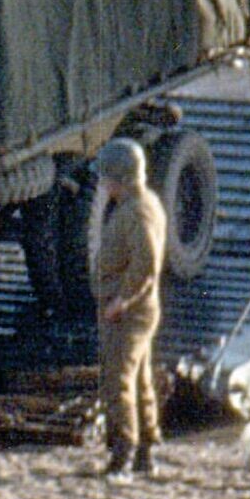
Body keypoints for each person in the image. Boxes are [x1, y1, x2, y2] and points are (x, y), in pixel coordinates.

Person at [91, 137, 167, 478]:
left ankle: (123, 455)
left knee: (118, 381)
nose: (102, 183)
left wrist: (121, 300)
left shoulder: (137, 210)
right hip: (136, 308)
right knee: (139, 380)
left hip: (128, 311)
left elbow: (146, 263)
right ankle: (145, 452)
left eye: (106, 176)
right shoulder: (142, 203)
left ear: (119, 178)